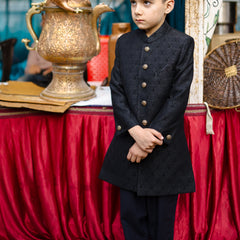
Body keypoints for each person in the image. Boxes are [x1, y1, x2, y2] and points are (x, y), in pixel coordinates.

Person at [99, 0, 195, 239]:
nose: (137, 10)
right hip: (127, 146)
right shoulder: (124, 43)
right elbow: (117, 90)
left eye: (147, 3)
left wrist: (148, 141)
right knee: (131, 220)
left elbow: (178, 98)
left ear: (169, 6)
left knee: (162, 225)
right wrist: (134, 131)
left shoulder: (182, 43)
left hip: (165, 152)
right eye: (133, 3)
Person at [17, 13, 52, 87]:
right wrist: (33, 68)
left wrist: (54, 69)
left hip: (57, 75)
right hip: (39, 74)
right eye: (43, 21)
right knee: (21, 81)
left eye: (47, 21)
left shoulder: (66, 44)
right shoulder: (35, 45)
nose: (42, 23)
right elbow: (29, 69)